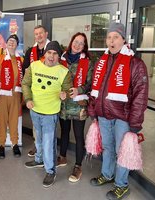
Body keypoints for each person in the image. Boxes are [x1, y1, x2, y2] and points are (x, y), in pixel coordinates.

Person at [88, 22, 148, 200]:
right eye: (109, 37)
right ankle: (107, 175)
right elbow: (95, 88)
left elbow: (141, 95)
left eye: (115, 37)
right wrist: (93, 110)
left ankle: (121, 185)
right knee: (107, 148)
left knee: (122, 151)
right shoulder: (102, 62)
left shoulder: (135, 63)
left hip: (124, 117)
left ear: (123, 39)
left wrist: (136, 123)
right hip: (104, 115)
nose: (111, 40)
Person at [23, 41, 72, 187]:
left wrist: (65, 95)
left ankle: (51, 170)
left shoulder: (64, 71)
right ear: (45, 53)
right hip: (35, 110)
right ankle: (38, 159)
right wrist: (28, 99)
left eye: (55, 53)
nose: (51, 56)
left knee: (49, 143)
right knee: (38, 138)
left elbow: (68, 90)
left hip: (51, 113)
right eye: (49, 52)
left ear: (59, 56)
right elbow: (25, 83)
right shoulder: (34, 66)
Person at [58, 32, 93, 183]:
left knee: (79, 136)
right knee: (64, 132)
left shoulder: (88, 62)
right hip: (64, 104)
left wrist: (80, 90)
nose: (77, 45)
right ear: (71, 41)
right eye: (76, 41)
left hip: (79, 105)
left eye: (81, 43)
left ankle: (78, 166)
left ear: (84, 46)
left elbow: (91, 83)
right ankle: (63, 157)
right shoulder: (61, 59)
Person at [0, 18, 23, 158]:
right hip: (1, 95)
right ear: (6, 43)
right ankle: (1, 145)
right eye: (9, 41)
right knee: (1, 120)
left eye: (14, 41)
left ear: (17, 45)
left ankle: (14, 144)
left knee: (14, 121)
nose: (11, 42)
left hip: (15, 95)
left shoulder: (21, 60)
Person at [23, 25, 50, 157]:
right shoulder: (30, 52)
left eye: (41, 33)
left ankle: (48, 148)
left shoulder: (53, 50)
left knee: (49, 123)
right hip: (35, 93)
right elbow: (26, 71)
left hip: (49, 94)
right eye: (36, 34)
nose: (39, 36)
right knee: (36, 124)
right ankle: (37, 146)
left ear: (46, 34)